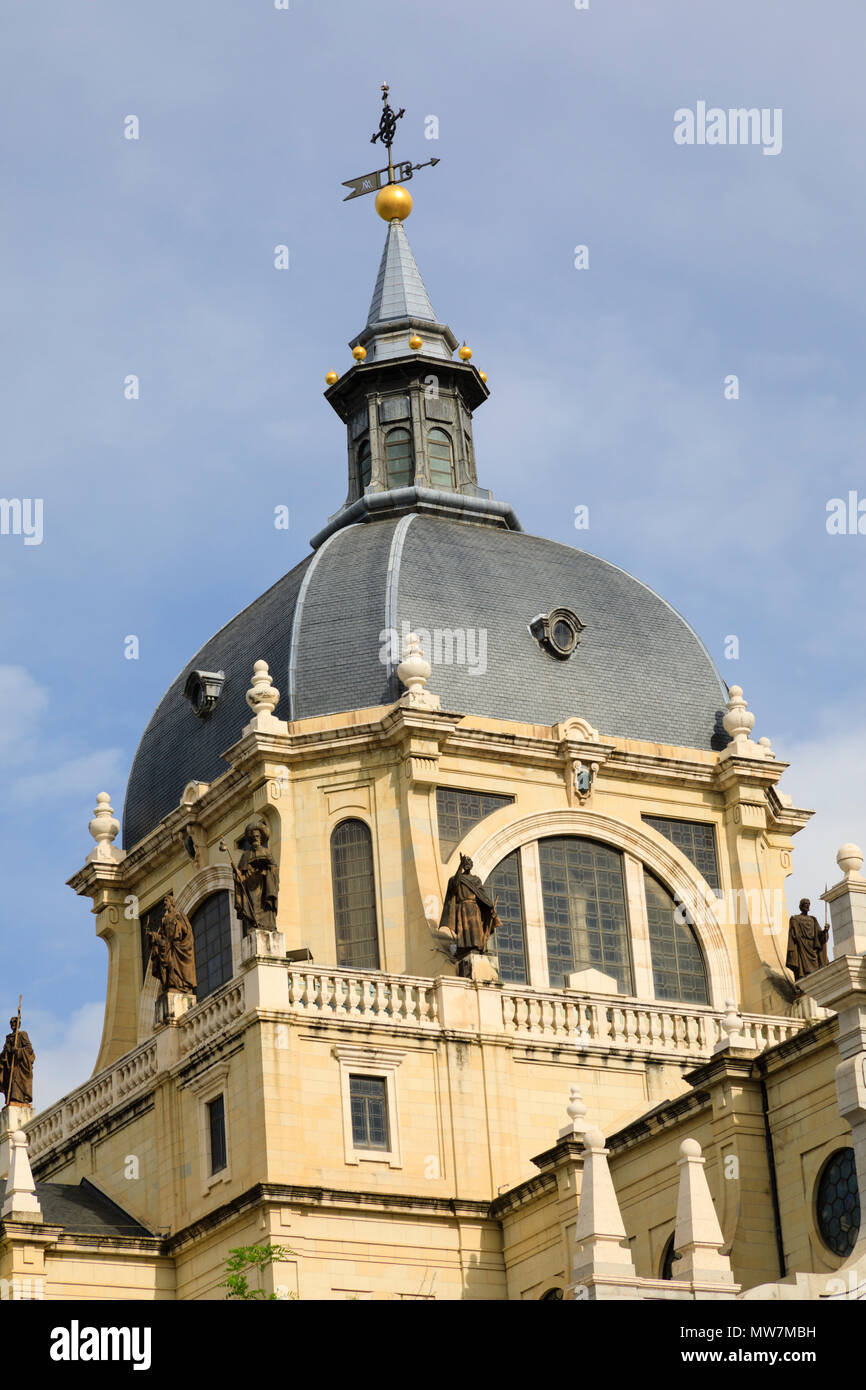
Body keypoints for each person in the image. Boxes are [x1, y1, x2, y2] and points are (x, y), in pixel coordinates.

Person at [439, 854, 501, 960]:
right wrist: (459, 866)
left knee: (475, 930)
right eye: (465, 864)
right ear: (463, 865)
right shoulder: (456, 879)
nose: (467, 865)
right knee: (464, 931)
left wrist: (490, 908)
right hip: (462, 908)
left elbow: (482, 896)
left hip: (473, 908)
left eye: (469, 863)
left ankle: (477, 947)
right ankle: (464, 949)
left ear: (471, 866)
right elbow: (454, 886)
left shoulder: (476, 880)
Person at [232, 821, 279, 933]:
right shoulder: (246, 855)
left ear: (261, 838)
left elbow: (274, 868)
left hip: (264, 884)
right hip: (251, 885)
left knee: (265, 907)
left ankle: (269, 926)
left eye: (257, 836)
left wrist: (265, 868)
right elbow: (241, 875)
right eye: (253, 837)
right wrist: (237, 873)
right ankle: (255, 923)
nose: (255, 838)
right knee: (253, 905)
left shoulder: (266, 852)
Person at [148, 892, 197, 993]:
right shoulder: (164, 919)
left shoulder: (179, 915)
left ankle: (178, 985)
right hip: (168, 946)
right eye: (164, 901)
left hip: (177, 946)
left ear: (171, 902)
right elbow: (162, 934)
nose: (164, 903)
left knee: (174, 967)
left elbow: (187, 931)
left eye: (166, 901)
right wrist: (154, 936)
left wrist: (178, 925)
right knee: (168, 966)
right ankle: (172, 985)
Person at [786, 898, 829, 981]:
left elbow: (819, 935)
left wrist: (825, 931)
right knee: (803, 970)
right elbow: (794, 934)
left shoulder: (813, 919)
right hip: (802, 946)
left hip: (812, 946)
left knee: (816, 969)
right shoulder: (795, 918)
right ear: (801, 906)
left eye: (808, 904)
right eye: (805, 903)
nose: (806, 905)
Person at [0, 1016, 35, 1106]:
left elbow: (29, 1049)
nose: (13, 1025)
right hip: (10, 1066)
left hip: (19, 1065)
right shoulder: (8, 1038)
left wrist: (18, 1051)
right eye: (11, 1023)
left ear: (18, 1024)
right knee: (10, 1084)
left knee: (17, 1082)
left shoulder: (22, 1034)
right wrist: (6, 1053)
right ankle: (12, 1099)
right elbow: (4, 1052)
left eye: (14, 1023)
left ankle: (20, 1099)